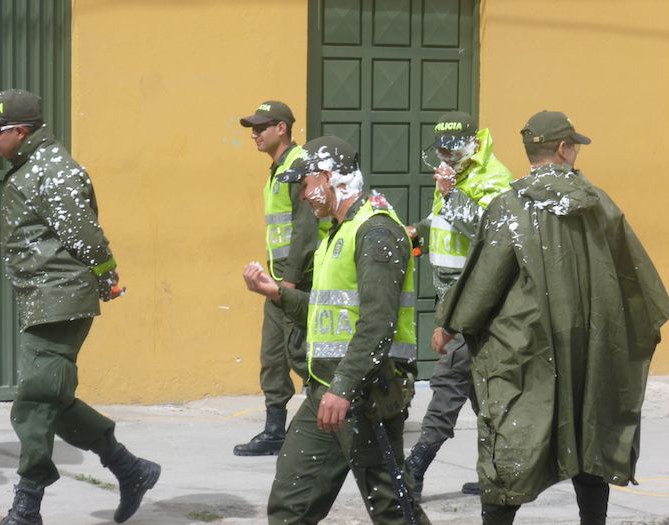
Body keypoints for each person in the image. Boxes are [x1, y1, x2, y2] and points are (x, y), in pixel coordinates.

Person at [432, 110, 669, 525]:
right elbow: (639, 283)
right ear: (563, 149)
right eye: (574, 144)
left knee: (513, 444)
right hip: (593, 350)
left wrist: (450, 322)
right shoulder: (600, 205)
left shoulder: (510, 206)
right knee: (589, 435)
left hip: (529, 353)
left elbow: (484, 282)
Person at [0, 88, 160, 525]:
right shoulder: (33, 165)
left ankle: (27, 506)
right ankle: (130, 468)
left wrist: (108, 275)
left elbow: (86, 236)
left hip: (60, 298)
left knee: (35, 400)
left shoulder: (53, 169)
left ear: (20, 131)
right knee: (53, 396)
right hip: (44, 296)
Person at [243, 136, 431, 524]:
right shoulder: (335, 233)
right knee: (291, 503)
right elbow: (327, 312)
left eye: (306, 185)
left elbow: (377, 325)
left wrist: (343, 388)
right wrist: (279, 294)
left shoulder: (376, 232)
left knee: (394, 510)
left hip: (366, 394)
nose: (303, 195)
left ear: (328, 178)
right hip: (324, 392)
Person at [405, 111, 512, 498]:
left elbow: (491, 234)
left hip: (481, 301)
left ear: (474, 143)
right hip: (450, 298)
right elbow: (444, 223)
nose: (445, 158)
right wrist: (415, 232)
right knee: (481, 394)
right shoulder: (453, 177)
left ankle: (414, 467)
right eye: (442, 151)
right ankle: (499, 474)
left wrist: (453, 194)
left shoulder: (494, 178)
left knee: (449, 382)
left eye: (452, 150)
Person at [235, 101, 328, 456]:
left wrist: (288, 282)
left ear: (282, 128)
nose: (254, 134)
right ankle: (274, 430)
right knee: (273, 356)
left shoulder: (298, 166)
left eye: (261, 127)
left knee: (302, 354)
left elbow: (305, 228)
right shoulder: (276, 169)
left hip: (298, 282)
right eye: (252, 129)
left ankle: (325, 424)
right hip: (276, 280)